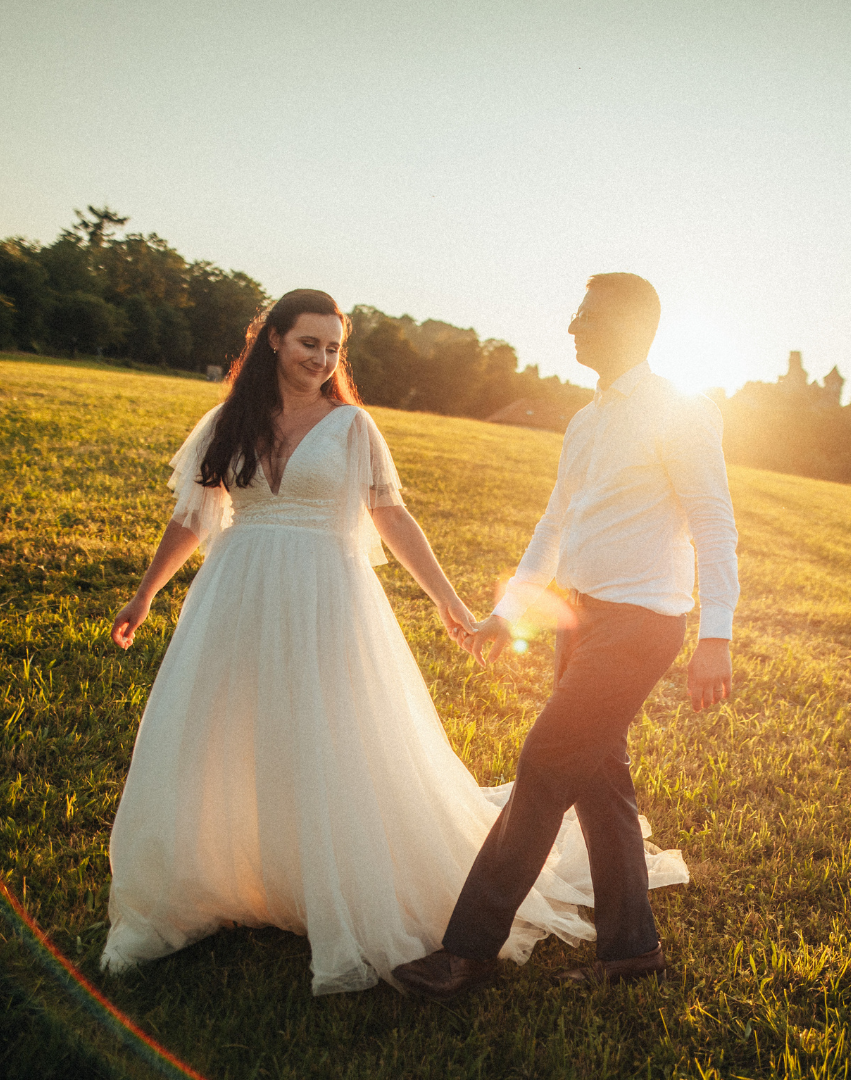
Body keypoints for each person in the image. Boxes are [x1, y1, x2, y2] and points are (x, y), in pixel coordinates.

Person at [101, 288, 688, 995]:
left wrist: (454, 605)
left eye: (333, 348)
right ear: (274, 342)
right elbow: (193, 516)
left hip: (326, 601)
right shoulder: (228, 422)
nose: (321, 358)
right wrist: (145, 593)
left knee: (330, 738)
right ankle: (234, 876)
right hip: (236, 598)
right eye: (308, 343)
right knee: (228, 734)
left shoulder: (352, 428)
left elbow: (393, 518)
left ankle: (339, 886)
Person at [394, 273, 739, 999]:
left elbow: (713, 522)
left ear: (632, 326)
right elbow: (555, 523)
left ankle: (466, 951)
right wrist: (509, 614)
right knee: (597, 779)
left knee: (545, 763)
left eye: (587, 314)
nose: (572, 324)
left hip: (643, 622)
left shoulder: (682, 411)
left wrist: (717, 638)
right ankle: (632, 949)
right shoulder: (585, 422)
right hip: (581, 621)